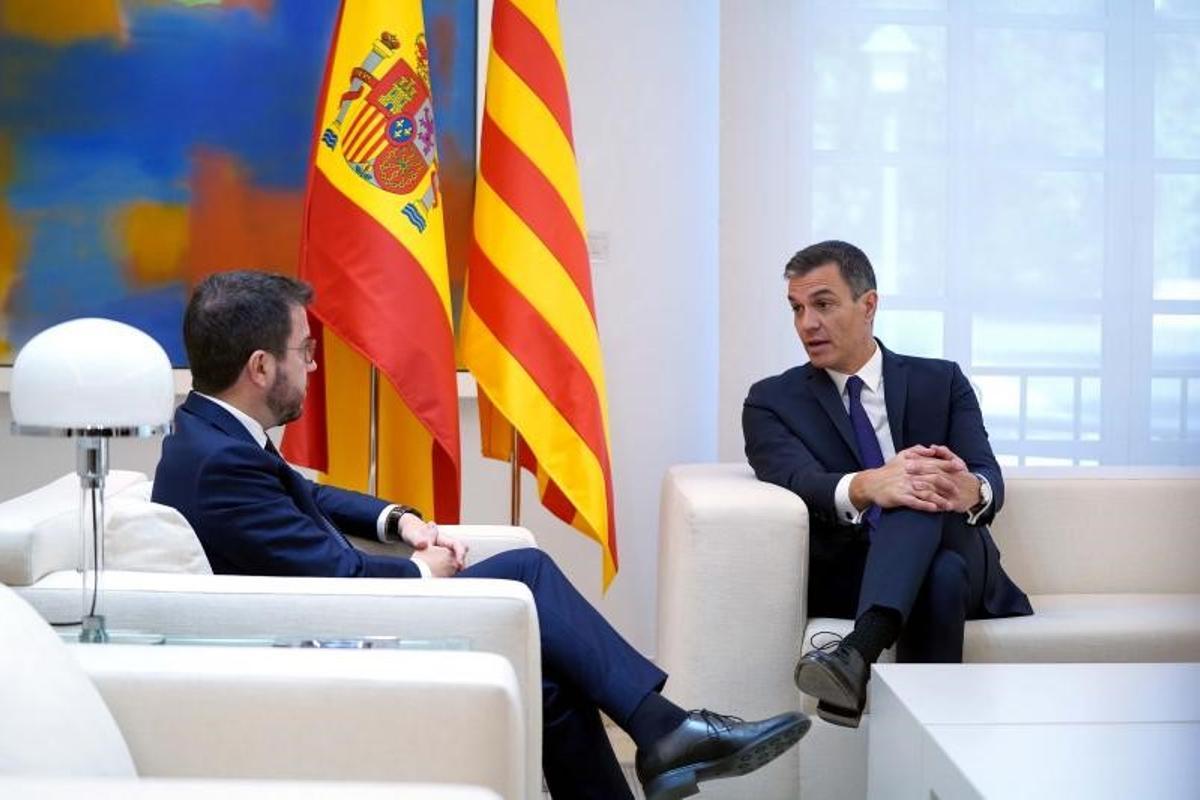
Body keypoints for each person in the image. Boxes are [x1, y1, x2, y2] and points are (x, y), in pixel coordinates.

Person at [154, 270, 809, 800]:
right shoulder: (223, 463)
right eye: (307, 351)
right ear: (262, 367)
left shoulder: (212, 438)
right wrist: (423, 571)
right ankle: (667, 732)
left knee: (554, 685)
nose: (315, 367)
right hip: (320, 642)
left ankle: (665, 739)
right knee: (527, 568)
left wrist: (397, 519)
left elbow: (306, 493)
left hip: (322, 621)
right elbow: (340, 578)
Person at [743, 241, 1032, 729]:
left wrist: (971, 490)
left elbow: (988, 475)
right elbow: (796, 480)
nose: (806, 323)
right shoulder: (771, 401)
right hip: (857, 570)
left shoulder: (941, 381)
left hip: (963, 548)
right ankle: (922, 750)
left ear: (868, 304)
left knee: (919, 479)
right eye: (796, 308)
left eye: (823, 304)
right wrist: (870, 485)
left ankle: (856, 652)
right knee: (937, 574)